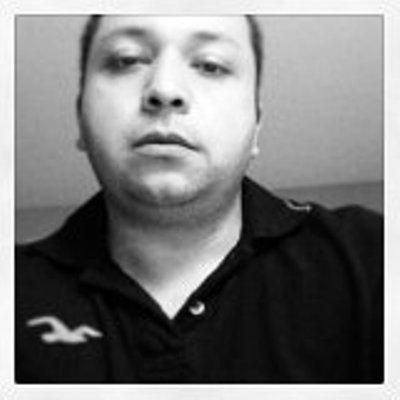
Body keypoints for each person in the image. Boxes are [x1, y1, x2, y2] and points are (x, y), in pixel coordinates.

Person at [16, 15, 383, 383]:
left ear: (256, 126)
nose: (164, 90)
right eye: (126, 60)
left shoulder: (372, 257)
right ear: (80, 118)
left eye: (211, 65)